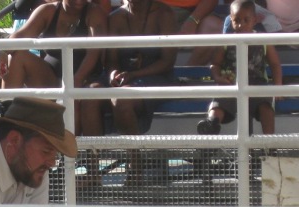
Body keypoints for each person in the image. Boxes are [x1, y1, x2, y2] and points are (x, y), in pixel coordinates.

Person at [81, 0, 177, 184]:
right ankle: (93, 171)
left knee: (121, 99)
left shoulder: (165, 14)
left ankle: (135, 165)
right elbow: (111, 60)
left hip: (155, 76)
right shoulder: (116, 17)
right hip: (125, 78)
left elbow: (167, 61)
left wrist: (134, 74)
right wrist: (113, 74)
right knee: (89, 95)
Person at [0, 0, 109, 135]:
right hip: (51, 78)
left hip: (86, 79)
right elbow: (21, 36)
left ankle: (75, 152)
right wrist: (1, 53)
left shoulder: (94, 12)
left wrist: (76, 80)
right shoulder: (47, 10)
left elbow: (94, 54)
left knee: (75, 96)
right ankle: (8, 121)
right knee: (16, 56)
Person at [196, 0, 282, 135]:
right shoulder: (226, 41)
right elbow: (215, 64)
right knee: (218, 104)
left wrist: (277, 86)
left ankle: (269, 145)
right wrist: (218, 77)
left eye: (246, 20)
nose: (241, 24)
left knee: (266, 109)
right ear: (231, 20)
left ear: (254, 20)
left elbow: (275, 64)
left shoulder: (263, 40)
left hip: (257, 85)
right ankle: (211, 126)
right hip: (231, 84)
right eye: (237, 20)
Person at [159, 0, 224, 65]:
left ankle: (189, 73)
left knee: (215, 27)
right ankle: (160, 71)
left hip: (195, 11)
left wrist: (193, 20)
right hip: (159, 9)